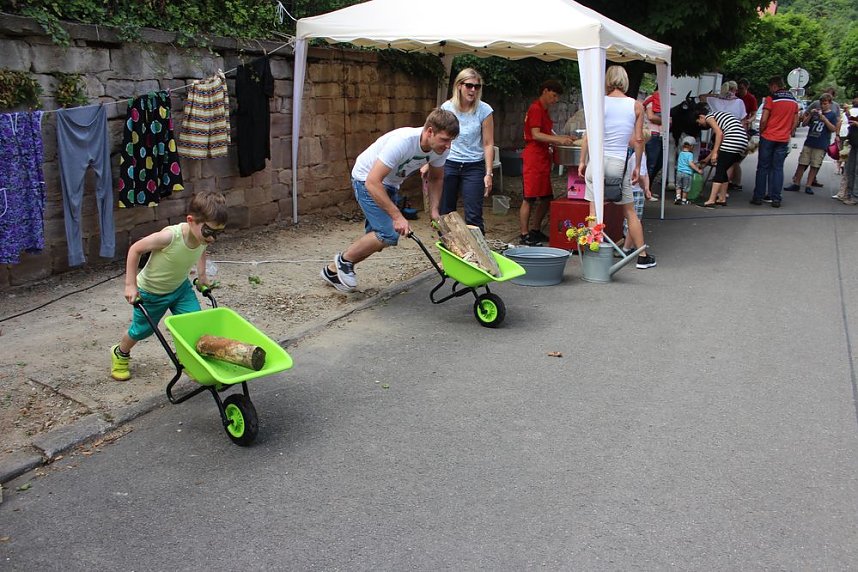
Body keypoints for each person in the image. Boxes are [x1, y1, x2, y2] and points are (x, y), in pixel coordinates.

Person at [321, 109, 459, 292]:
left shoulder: (439, 149)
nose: (448, 146)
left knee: (379, 239)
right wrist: (397, 216)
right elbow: (372, 181)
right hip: (366, 179)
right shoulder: (403, 142)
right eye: (445, 140)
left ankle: (332, 271)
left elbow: (436, 178)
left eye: (451, 141)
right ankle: (343, 262)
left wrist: (434, 210)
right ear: (430, 131)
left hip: (391, 184)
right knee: (387, 234)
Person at [110, 191, 228, 381]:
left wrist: (202, 276)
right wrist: (130, 285)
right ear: (191, 220)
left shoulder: (201, 238)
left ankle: (191, 362)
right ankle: (121, 352)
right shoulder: (170, 237)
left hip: (180, 290)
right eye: (209, 232)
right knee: (142, 330)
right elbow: (135, 249)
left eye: (218, 233)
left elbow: (201, 251)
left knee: (193, 324)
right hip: (151, 292)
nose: (212, 238)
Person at [578, 65, 656, 269]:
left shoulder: (597, 103)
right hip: (618, 163)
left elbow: (588, 135)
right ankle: (642, 256)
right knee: (630, 212)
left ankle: (593, 255)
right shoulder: (636, 105)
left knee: (594, 212)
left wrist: (582, 161)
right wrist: (637, 166)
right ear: (625, 81)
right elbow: (638, 139)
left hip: (596, 162)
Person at [519, 79, 576, 246]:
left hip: (542, 157)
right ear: (545, 91)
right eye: (554, 95)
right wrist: (558, 139)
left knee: (546, 198)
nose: (556, 99)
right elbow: (536, 134)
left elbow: (547, 131)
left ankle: (535, 230)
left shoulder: (544, 110)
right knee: (528, 197)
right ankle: (524, 234)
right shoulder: (536, 108)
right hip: (533, 156)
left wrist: (562, 138)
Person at [438, 68, 494, 234]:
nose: (473, 90)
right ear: (459, 86)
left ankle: (479, 256)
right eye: (469, 85)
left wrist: (489, 173)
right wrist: (429, 162)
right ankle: (448, 253)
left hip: (474, 166)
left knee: (474, 215)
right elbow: (438, 138)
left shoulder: (484, 110)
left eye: (477, 87)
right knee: (446, 212)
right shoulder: (447, 108)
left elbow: (488, 142)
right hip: (449, 162)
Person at [750, 76, 800, 208]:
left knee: (762, 168)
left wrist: (761, 132)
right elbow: (796, 121)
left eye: (769, 87)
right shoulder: (793, 101)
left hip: (768, 137)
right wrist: (788, 132)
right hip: (783, 138)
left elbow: (764, 119)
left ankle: (758, 197)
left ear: (774, 85)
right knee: (778, 168)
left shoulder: (771, 99)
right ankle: (776, 198)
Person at [694, 103, 749, 208]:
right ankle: (722, 198)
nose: (700, 125)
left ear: (701, 116)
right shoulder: (720, 116)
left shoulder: (710, 117)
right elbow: (719, 143)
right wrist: (707, 159)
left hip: (732, 140)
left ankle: (711, 200)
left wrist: (714, 154)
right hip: (742, 142)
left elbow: (719, 134)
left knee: (719, 170)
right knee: (723, 169)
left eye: (699, 122)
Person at [784, 93, 838, 195]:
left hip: (821, 144)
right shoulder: (816, 113)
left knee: (814, 165)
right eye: (821, 103)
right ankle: (796, 183)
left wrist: (825, 120)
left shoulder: (832, 115)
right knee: (802, 163)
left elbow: (833, 129)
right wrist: (810, 115)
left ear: (830, 104)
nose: (823, 105)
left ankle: (808, 185)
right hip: (809, 141)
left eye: (825, 104)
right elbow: (804, 124)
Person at [837, 98, 858, 205]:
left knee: (856, 170)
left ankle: (854, 196)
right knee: (850, 169)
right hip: (854, 143)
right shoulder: (851, 111)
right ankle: (849, 193)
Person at [643, 87, 665, 185]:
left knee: (659, 162)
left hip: (660, 134)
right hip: (652, 133)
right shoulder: (651, 98)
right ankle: (645, 188)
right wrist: (665, 120)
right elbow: (650, 116)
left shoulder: (663, 101)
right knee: (651, 163)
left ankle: (648, 187)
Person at [674, 136, 704, 205]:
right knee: (686, 188)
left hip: (679, 172)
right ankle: (684, 200)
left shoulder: (681, 153)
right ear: (691, 146)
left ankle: (678, 198)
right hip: (687, 173)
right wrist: (698, 170)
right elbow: (691, 164)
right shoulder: (690, 154)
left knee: (678, 186)